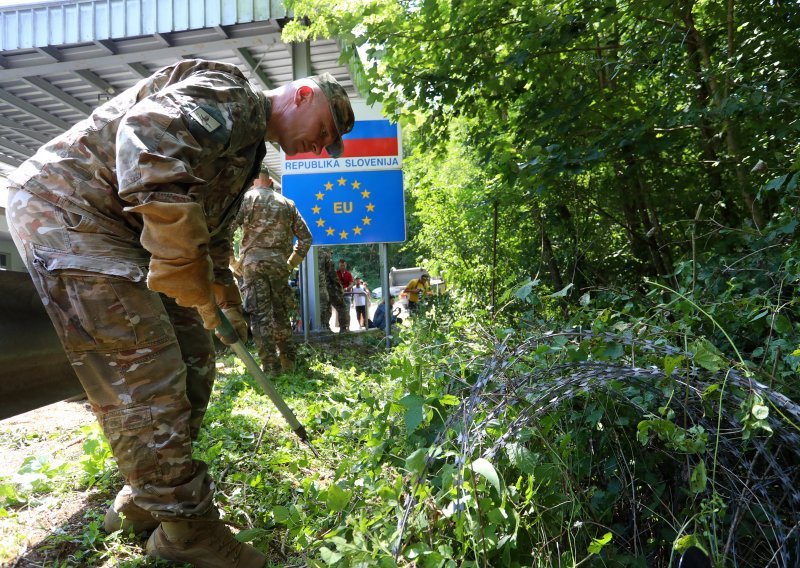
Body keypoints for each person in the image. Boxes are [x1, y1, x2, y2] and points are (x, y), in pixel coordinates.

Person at [5, 58, 354, 567]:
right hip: (68, 212)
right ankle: (186, 529)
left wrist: (222, 297)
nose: (318, 146)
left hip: (126, 233)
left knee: (195, 355)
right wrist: (174, 251)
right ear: (301, 95)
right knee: (147, 369)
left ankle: (150, 499)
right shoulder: (231, 94)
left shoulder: (247, 149)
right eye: (323, 129)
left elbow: (210, 233)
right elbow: (146, 135)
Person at [234, 166, 312, 375]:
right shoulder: (287, 203)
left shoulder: (246, 200)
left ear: (253, 182)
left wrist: (232, 262)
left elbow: (226, 230)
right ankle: (289, 363)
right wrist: (290, 263)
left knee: (260, 317)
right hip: (279, 265)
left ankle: (270, 367)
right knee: (280, 314)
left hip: (253, 265)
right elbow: (306, 238)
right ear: (270, 182)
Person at [318, 248, 350, 332]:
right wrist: (340, 287)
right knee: (342, 306)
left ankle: (325, 328)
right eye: (330, 253)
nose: (331, 255)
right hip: (328, 287)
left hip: (315, 288)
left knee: (326, 307)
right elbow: (332, 274)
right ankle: (343, 328)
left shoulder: (309, 254)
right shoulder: (326, 256)